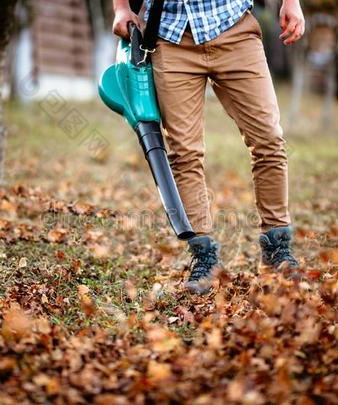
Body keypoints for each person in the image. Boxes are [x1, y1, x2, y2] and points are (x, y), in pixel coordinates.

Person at [112, 0, 305, 293]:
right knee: (184, 154)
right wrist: (121, 8)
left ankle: (277, 248)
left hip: (233, 27)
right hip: (169, 35)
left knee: (269, 139)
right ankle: (205, 258)